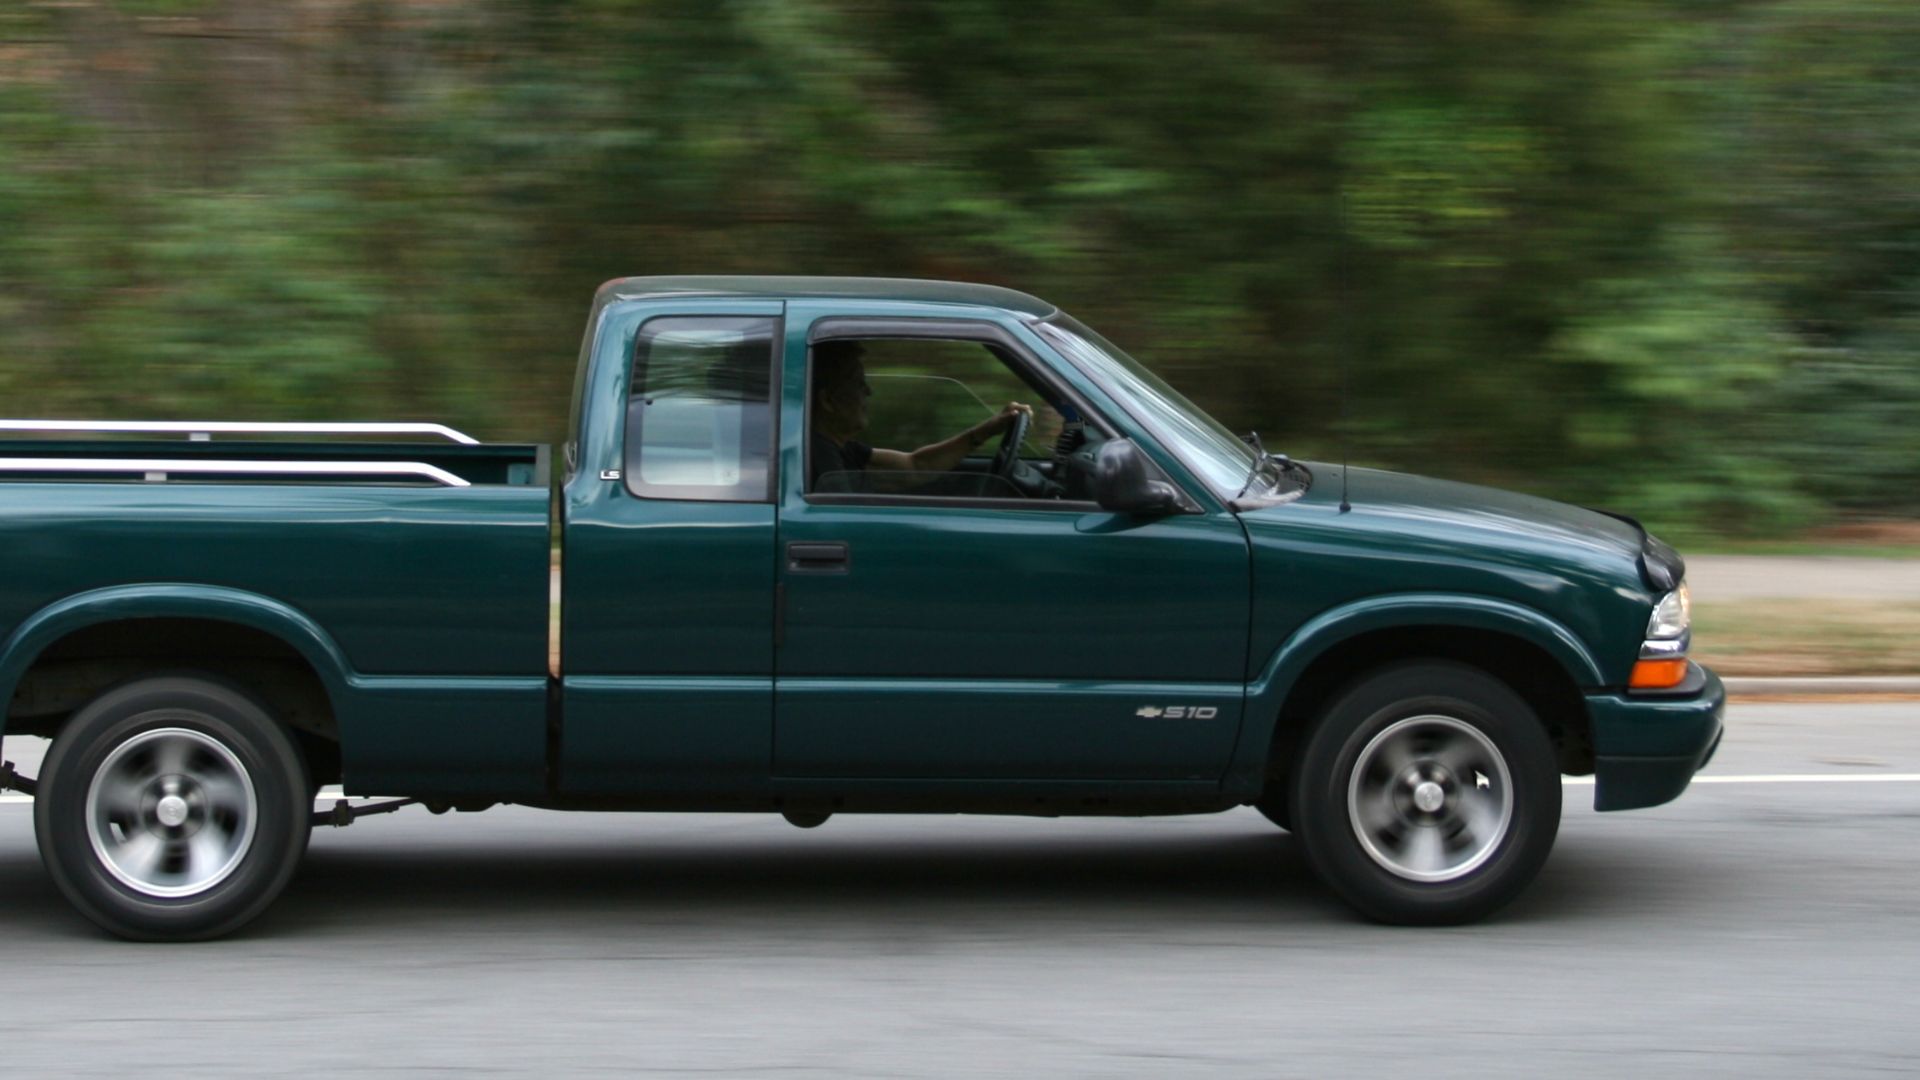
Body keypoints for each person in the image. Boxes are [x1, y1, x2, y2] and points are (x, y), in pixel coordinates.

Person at [809, 340, 1034, 491]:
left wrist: (989, 429)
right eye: (858, 384)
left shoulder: (843, 450)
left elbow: (916, 466)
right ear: (828, 401)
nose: (868, 392)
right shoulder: (821, 462)